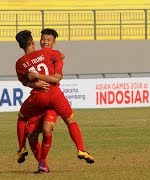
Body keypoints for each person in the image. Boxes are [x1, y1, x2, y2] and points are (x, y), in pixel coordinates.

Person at [15, 30, 95, 173]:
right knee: (35, 134)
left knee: (33, 123)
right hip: (52, 95)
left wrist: (35, 80)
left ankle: (23, 149)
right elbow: (61, 56)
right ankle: (46, 162)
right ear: (35, 41)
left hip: (40, 98)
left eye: (48, 40)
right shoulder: (47, 53)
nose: (45, 42)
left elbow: (25, 81)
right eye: (43, 39)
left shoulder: (21, 63)